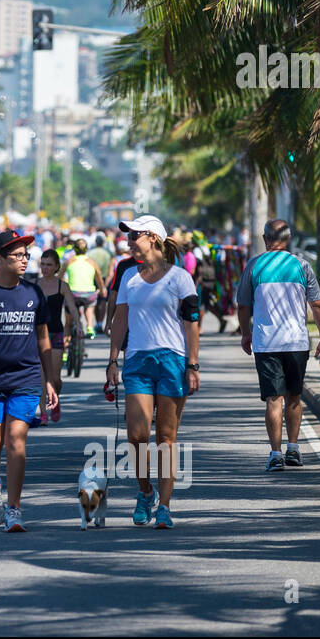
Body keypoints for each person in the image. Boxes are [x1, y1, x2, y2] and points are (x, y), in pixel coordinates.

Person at [105, 215, 200, 529]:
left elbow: (191, 324)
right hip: (137, 361)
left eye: (135, 237)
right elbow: (120, 320)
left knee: (167, 439)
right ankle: (145, 491)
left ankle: (165, 506)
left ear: (153, 238)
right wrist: (112, 360)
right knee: (137, 436)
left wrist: (193, 365)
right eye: (129, 238)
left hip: (172, 361)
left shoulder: (180, 278)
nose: (129, 243)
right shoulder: (128, 277)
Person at [0, 229, 60, 532]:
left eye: (25, 255)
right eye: (17, 255)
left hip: (26, 378)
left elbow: (43, 338)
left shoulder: (34, 294)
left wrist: (48, 380)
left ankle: (15, 509)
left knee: (16, 440)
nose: (24, 260)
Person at [236, 219, 320, 472]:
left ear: (265, 239)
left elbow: (243, 305)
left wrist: (246, 334)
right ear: (287, 240)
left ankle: (276, 454)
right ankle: (294, 449)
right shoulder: (302, 265)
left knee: (273, 400)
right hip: (296, 342)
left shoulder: (254, 266)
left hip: (266, 343)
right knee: (294, 398)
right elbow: (318, 304)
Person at [36, 248, 80, 424]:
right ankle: (43, 413)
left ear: (56, 267)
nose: (45, 268)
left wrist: (78, 323)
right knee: (41, 377)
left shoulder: (62, 286)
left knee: (54, 378)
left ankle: (55, 398)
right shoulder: (34, 285)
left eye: (49, 265)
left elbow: (72, 308)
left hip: (55, 333)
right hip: (37, 334)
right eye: (43, 264)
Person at [63, 238, 105, 339]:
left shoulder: (69, 261)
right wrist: (102, 289)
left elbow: (60, 277)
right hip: (89, 293)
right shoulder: (92, 262)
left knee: (68, 324)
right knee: (89, 304)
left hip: (72, 293)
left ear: (74, 249)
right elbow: (99, 277)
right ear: (87, 249)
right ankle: (90, 326)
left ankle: (64, 351)